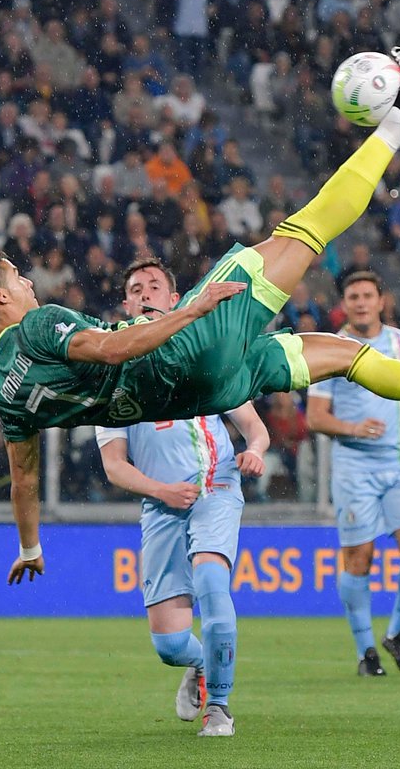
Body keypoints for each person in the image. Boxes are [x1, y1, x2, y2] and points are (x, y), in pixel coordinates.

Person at [0, 48, 400, 584]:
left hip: (202, 393)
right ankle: (397, 125)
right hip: (183, 353)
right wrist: (193, 311)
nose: (27, 283)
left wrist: (30, 546)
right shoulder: (35, 323)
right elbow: (112, 349)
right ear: (1, 299)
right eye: (18, 280)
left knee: (346, 357)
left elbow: (24, 482)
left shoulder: (5, 393)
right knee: (305, 230)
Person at [96, 258, 265, 737]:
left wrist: (254, 450)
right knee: (170, 644)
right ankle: (201, 663)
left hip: (215, 486)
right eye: (136, 288)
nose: (145, 293)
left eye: (155, 286)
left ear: (175, 300)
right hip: (161, 506)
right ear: (127, 304)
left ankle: (220, 708)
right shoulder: (112, 377)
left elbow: (253, 425)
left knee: (213, 585)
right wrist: (161, 490)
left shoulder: (204, 356)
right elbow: (114, 466)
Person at [307, 271, 400, 677]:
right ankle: (366, 652)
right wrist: (354, 428)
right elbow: (316, 417)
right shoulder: (330, 349)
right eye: (353, 296)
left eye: (368, 295)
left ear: (382, 300)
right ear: (344, 304)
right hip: (353, 468)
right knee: (359, 559)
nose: (361, 302)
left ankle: (398, 635)